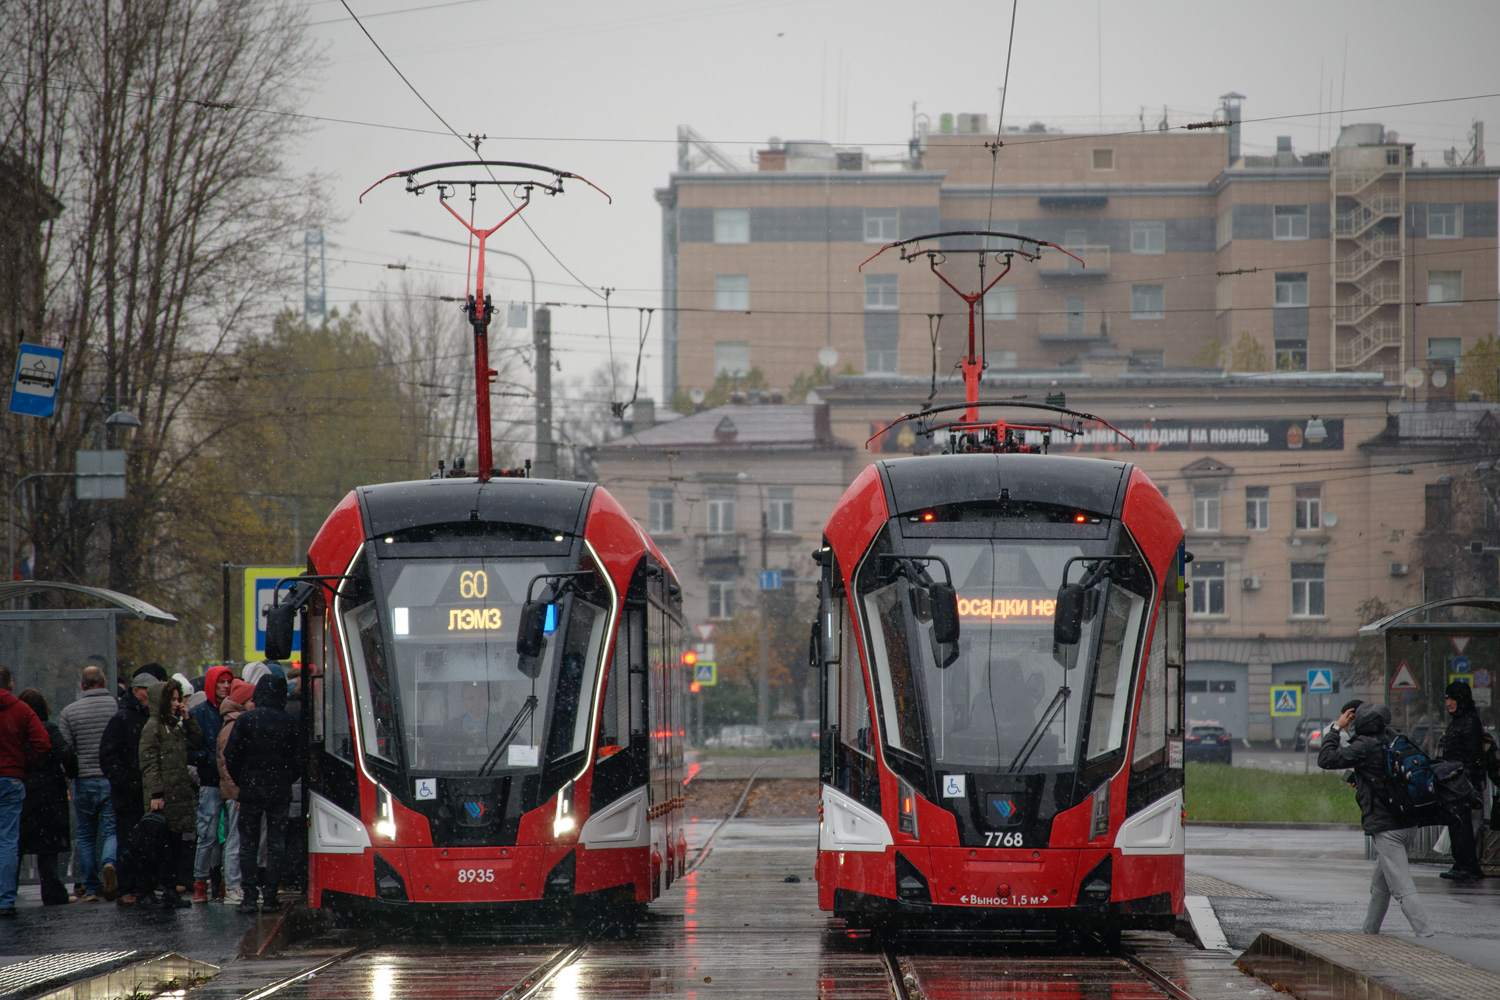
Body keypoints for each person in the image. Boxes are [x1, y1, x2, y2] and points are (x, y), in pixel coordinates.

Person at [1319, 702, 1436, 937]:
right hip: (1407, 820)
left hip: (1387, 827)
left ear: (1357, 720)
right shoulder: (1393, 738)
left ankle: (1426, 935)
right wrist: (1362, 781)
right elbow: (1384, 775)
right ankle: (1370, 931)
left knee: (1402, 888)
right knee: (1381, 885)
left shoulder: (1365, 745)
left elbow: (1326, 759)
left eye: (1350, 720)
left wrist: (1336, 729)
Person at [224, 674, 301, 914]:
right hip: (279, 792)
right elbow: (300, 759)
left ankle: (249, 897)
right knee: (276, 845)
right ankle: (270, 897)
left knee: (248, 844)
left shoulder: (246, 720)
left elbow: (231, 755)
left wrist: (243, 781)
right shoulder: (289, 722)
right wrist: (285, 778)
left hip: (250, 791)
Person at [137, 680, 203, 909]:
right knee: (156, 847)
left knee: (173, 847)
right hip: (164, 797)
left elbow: (196, 740)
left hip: (177, 796)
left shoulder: (173, 727)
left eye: (178, 699)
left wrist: (188, 718)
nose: (177, 703)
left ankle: (169, 890)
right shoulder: (153, 727)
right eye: (173, 700)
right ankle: (146, 892)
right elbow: (149, 763)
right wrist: (156, 793)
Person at [57, 664, 119, 901]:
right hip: (110, 779)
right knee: (111, 829)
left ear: (82, 685)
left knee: (85, 834)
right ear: (103, 682)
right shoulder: (116, 707)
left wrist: (69, 776)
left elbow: (66, 751)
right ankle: (109, 863)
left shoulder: (69, 712)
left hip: (83, 781)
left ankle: (91, 888)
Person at [98, 668, 158, 906]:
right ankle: (127, 889)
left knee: (146, 843)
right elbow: (108, 756)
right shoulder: (122, 719)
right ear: (137, 691)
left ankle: (143, 888)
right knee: (129, 842)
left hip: (144, 791)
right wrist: (125, 781)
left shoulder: (147, 718)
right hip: (129, 794)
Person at [0, 665, 52, 918]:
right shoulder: (21, 709)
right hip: (11, 779)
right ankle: (5, 899)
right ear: (11, 685)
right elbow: (43, 743)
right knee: (7, 841)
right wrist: (24, 765)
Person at [17, 689, 76, 906]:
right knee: (48, 847)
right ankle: (52, 893)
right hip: (49, 792)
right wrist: (70, 773)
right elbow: (66, 753)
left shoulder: (16, 729)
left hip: (22, 789)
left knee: (16, 845)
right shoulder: (48, 728)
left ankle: (7, 891)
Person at [189, 665, 234, 902]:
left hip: (228, 782)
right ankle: (201, 883)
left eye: (228, 682)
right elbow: (188, 749)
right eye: (221, 682)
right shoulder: (199, 714)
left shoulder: (233, 711)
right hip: (211, 782)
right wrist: (207, 760)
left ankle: (223, 882)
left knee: (228, 836)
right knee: (208, 835)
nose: (226, 686)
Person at [1437, 679, 1486, 881]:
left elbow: (1474, 756)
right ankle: (1462, 863)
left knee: (1463, 826)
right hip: (1455, 782)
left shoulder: (1469, 722)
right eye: (1447, 698)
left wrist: (1468, 783)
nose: (1449, 703)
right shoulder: (1458, 721)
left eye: (1453, 698)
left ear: (1461, 700)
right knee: (1457, 825)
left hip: (1462, 784)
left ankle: (1468, 865)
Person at [215, 679, 253, 904]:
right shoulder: (234, 725)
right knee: (235, 840)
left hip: (232, 791)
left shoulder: (231, 723)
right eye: (251, 699)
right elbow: (227, 763)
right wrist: (239, 791)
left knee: (235, 838)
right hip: (235, 793)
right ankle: (232, 886)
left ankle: (233, 884)